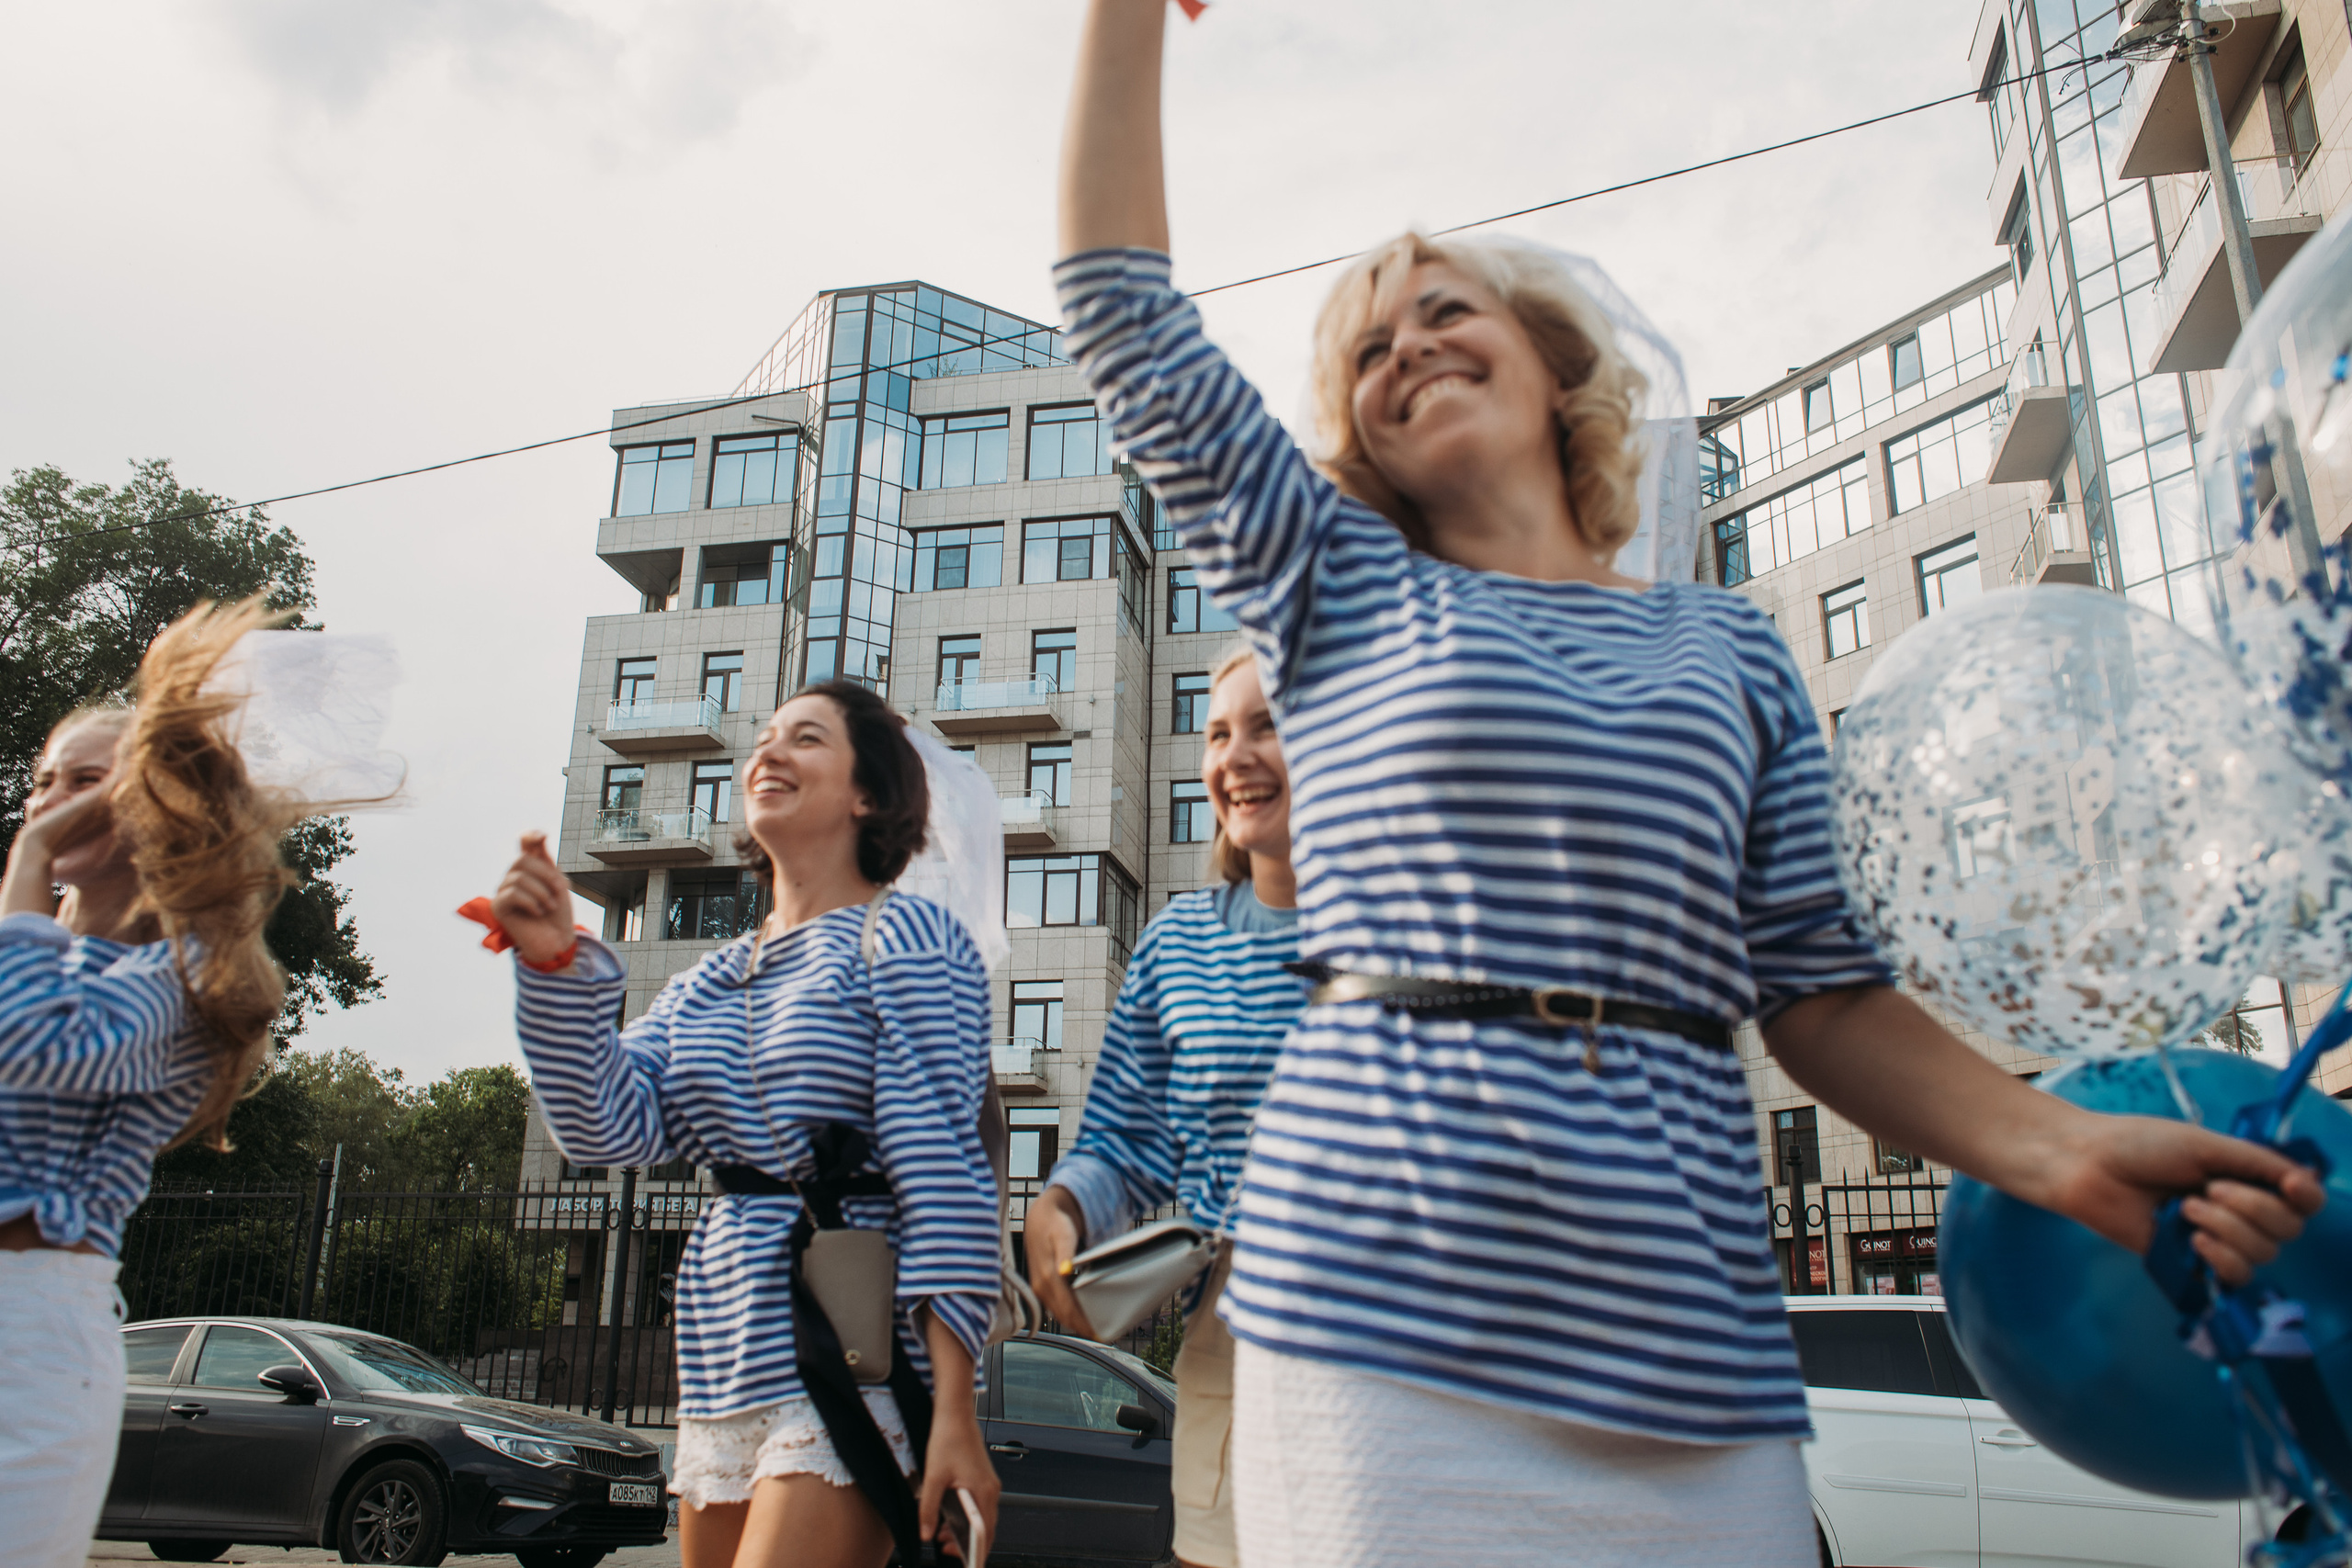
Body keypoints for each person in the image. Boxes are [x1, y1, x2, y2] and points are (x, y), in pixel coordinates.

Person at [1053, 6, 2325, 1565]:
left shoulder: (1725, 645)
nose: (1407, 349)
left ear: (1552, 367)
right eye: (1369, 348)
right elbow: (1120, 309)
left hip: (1679, 1322)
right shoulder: (1338, 591)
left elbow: (1820, 992)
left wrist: (2057, 1146)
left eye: (1447, 312)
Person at [490, 679, 1001, 1568]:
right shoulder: (705, 983)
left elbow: (945, 1175)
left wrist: (954, 1406)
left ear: (868, 794)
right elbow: (605, 1127)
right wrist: (554, 964)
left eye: (806, 739)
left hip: (851, 1359)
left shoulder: (911, 937)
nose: (768, 753)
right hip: (724, 1357)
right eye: (764, 738)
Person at [0, 598, 318, 1568]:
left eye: (86, 783)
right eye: (43, 783)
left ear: (146, 804)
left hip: (29, 1332)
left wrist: (29, 861)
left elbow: (31, 1043)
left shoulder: (183, 978)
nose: (50, 802)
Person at [1026, 646, 1306, 1568]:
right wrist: (1062, 1208)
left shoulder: (1425, 914)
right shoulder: (1179, 943)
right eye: (1219, 732)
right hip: (1237, 1332)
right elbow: (1124, 1139)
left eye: (1267, 725)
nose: (1235, 756)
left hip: (1412, 1336)